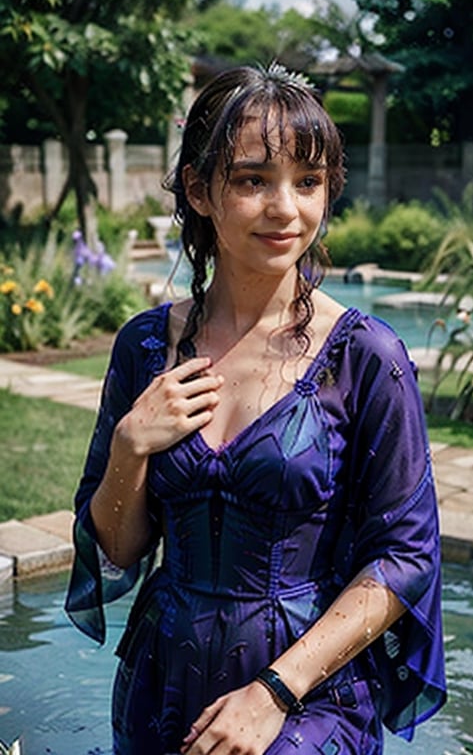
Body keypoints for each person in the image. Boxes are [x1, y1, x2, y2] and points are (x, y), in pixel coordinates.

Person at [65, 62, 446, 755]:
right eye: (252, 180)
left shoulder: (367, 358)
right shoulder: (146, 348)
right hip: (160, 689)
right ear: (199, 190)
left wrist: (274, 691)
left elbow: (406, 556)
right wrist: (129, 449)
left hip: (310, 701)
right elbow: (118, 551)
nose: (286, 208)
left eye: (308, 182)